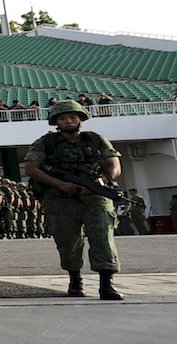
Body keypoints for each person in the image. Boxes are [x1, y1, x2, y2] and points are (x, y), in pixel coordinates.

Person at [23, 100, 123, 299]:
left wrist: (101, 181)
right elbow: (31, 168)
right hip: (60, 199)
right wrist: (59, 183)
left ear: (80, 119)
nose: (68, 121)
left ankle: (107, 284)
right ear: (56, 122)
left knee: (103, 237)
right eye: (63, 118)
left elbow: (115, 165)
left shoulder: (95, 140)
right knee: (68, 241)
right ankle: (75, 280)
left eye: (72, 117)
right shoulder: (46, 143)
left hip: (95, 196)